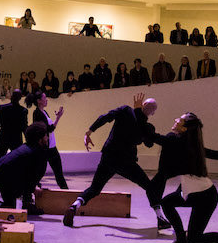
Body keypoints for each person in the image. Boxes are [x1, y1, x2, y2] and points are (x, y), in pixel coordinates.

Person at [148, 112, 218, 243]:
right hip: (193, 193)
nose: (176, 119)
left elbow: (152, 136)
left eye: (180, 120)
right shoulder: (188, 144)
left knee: (195, 239)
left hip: (205, 197)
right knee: (167, 203)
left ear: (184, 129)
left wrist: (138, 113)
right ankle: (181, 241)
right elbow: (211, 153)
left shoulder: (179, 143)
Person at [64, 94, 168, 229]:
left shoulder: (125, 110)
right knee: (149, 187)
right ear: (153, 113)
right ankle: (160, 218)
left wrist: (89, 131)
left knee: (94, 188)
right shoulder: (146, 127)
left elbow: (105, 117)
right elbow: (149, 144)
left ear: (141, 105)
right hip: (126, 162)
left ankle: (74, 206)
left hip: (108, 156)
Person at [0, 123, 50, 212]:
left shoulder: (26, 147)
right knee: (9, 208)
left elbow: (27, 173)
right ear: (40, 139)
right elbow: (35, 174)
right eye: (46, 136)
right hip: (4, 176)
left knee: (11, 204)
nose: (47, 138)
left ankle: (25, 204)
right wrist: (33, 188)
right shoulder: (38, 152)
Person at [27, 91, 67, 190]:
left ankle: (65, 190)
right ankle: (30, 189)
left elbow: (49, 128)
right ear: (39, 101)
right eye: (44, 98)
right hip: (46, 148)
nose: (46, 100)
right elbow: (48, 129)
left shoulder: (43, 112)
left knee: (57, 171)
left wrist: (57, 118)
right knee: (41, 171)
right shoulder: (37, 113)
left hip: (51, 146)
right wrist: (58, 118)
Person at [0, 89, 28, 166]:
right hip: (16, 139)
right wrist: (28, 140)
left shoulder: (3, 108)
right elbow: (24, 127)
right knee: (16, 161)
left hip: (3, 137)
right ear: (20, 98)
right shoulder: (23, 110)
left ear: (12, 96)